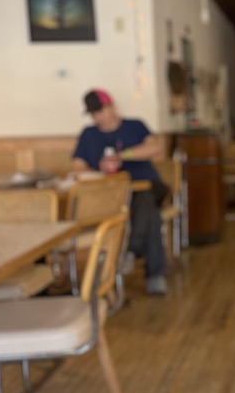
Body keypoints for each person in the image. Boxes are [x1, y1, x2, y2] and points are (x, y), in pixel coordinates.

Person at [72, 89, 169, 296]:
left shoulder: (134, 126)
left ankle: (131, 251)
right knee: (150, 215)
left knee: (145, 204)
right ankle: (153, 274)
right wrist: (99, 169)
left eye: (101, 111)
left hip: (146, 187)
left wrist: (122, 156)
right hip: (108, 195)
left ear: (112, 106)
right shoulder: (88, 134)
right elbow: (76, 166)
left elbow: (156, 149)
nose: (99, 117)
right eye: (94, 113)